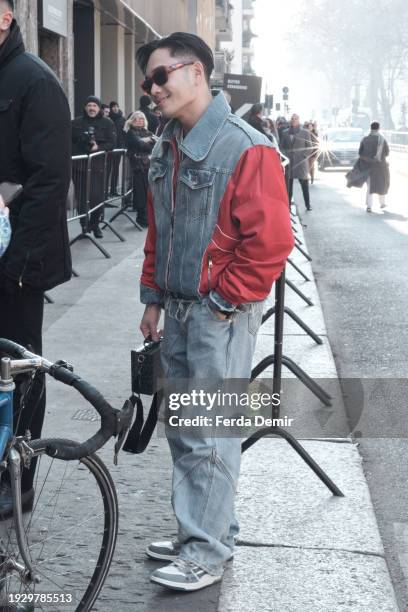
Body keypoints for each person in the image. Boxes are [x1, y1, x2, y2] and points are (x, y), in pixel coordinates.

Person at [136, 31, 294, 592]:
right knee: (187, 428)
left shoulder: (245, 145)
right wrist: (153, 298)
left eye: (161, 76)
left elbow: (272, 242)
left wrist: (223, 302)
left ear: (196, 71)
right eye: (148, 80)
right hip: (180, 308)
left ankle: (206, 549)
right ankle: (202, 529)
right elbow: (160, 228)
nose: (152, 89)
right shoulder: (169, 142)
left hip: (217, 314)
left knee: (209, 430)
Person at [0, 0, 72, 517]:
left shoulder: (33, 79)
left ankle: (17, 478)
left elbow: (49, 182)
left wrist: (20, 265)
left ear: (4, 18)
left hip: (16, 262)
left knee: (18, 366)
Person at [71, 96, 117, 238]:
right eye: (89, 105)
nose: (91, 108)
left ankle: (95, 225)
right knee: (81, 197)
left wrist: (98, 148)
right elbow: (68, 142)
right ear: (85, 107)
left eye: (94, 106)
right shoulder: (75, 123)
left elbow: (112, 143)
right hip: (79, 166)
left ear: (99, 108)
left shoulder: (107, 123)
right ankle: (84, 226)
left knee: (97, 197)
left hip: (98, 166)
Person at [124, 111, 155, 227]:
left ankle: (147, 216)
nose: (138, 121)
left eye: (141, 119)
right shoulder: (130, 132)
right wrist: (146, 141)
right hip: (137, 166)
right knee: (140, 192)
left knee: (148, 191)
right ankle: (141, 217)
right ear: (131, 120)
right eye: (136, 119)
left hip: (148, 165)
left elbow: (154, 144)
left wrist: (146, 141)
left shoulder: (147, 132)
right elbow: (139, 144)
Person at [280, 113, 313, 210]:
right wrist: (284, 156)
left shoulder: (305, 132)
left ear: (299, 120)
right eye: (292, 119)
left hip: (301, 163)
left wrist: (304, 155)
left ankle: (308, 205)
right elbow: (281, 146)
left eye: (296, 119)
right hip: (289, 163)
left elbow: (310, 147)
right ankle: (288, 205)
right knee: (288, 186)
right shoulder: (285, 132)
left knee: (304, 186)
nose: (294, 120)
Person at [359, 121, 390, 212]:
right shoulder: (382, 139)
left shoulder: (365, 139)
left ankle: (369, 206)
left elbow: (360, 153)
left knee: (369, 186)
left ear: (371, 128)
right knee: (382, 183)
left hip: (368, 166)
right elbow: (387, 153)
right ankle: (382, 203)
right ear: (378, 128)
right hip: (380, 166)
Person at [109, 101, 126, 197]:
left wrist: (123, 146)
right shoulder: (108, 118)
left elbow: (124, 134)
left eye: (116, 106)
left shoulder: (122, 119)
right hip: (109, 149)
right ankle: (106, 192)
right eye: (113, 107)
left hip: (118, 148)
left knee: (115, 170)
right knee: (107, 171)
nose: (115, 108)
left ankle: (113, 189)